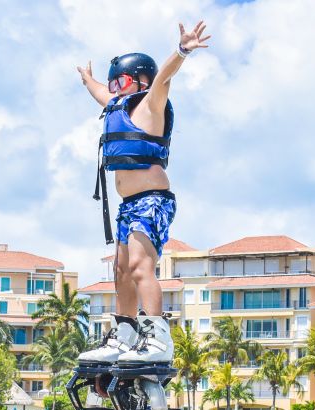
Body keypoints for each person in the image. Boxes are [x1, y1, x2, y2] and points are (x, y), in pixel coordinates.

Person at [76, 21, 211, 366]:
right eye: (113, 83)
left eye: (120, 81)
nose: (114, 89)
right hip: (129, 206)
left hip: (152, 201)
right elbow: (101, 96)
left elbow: (165, 76)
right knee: (120, 271)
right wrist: (87, 80)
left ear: (140, 81)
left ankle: (157, 336)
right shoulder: (119, 107)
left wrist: (181, 50)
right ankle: (124, 336)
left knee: (139, 267)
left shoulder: (151, 104)